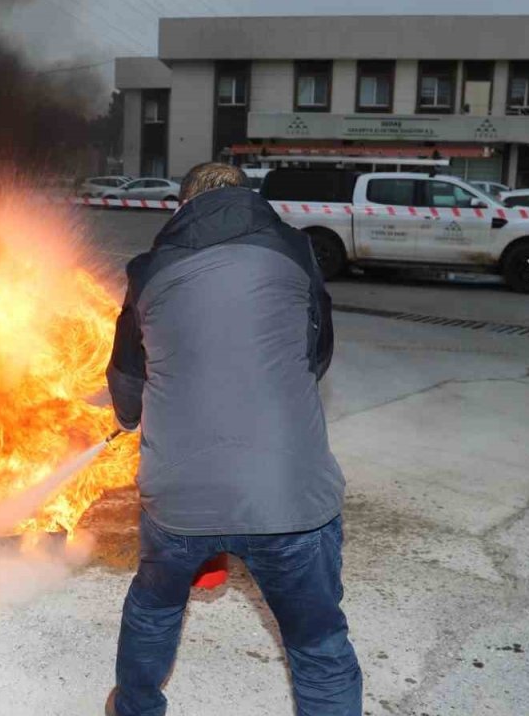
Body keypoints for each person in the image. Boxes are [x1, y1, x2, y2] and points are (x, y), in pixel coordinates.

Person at [105, 163, 361, 716]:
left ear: (182, 205)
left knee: (154, 608)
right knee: (318, 644)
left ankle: (135, 707)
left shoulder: (149, 271)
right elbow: (317, 357)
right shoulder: (296, 253)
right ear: (248, 196)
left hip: (180, 497)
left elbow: (128, 379)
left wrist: (129, 418)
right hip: (288, 496)